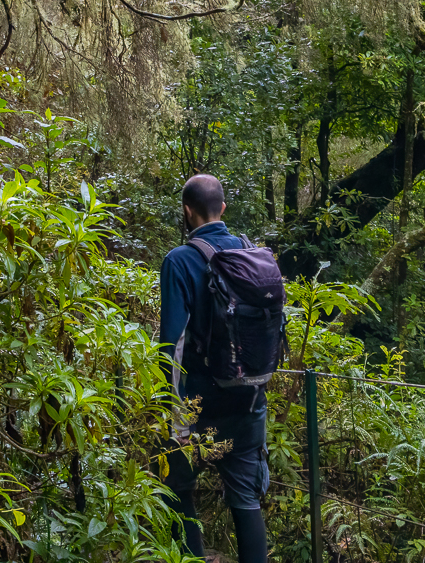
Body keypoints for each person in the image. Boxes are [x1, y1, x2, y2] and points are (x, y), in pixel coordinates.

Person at [158, 174, 269, 562]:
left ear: (187, 212)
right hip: (249, 402)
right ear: (223, 208)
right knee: (246, 502)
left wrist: (174, 419)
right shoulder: (254, 257)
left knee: (176, 490)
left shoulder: (179, 261)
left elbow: (170, 347)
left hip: (197, 406)